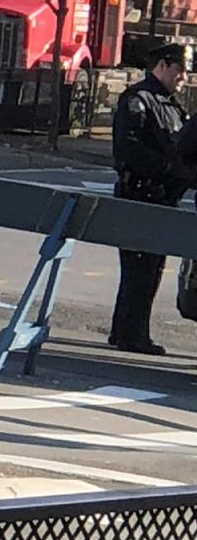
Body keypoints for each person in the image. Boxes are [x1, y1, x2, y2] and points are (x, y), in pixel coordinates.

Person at [110, 42, 194, 355]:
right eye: (179, 70)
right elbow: (129, 149)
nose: (183, 77)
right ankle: (132, 335)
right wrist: (170, 170)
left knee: (150, 268)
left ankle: (125, 331)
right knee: (140, 268)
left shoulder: (169, 104)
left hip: (160, 197)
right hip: (139, 194)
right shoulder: (138, 99)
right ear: (162, 65)